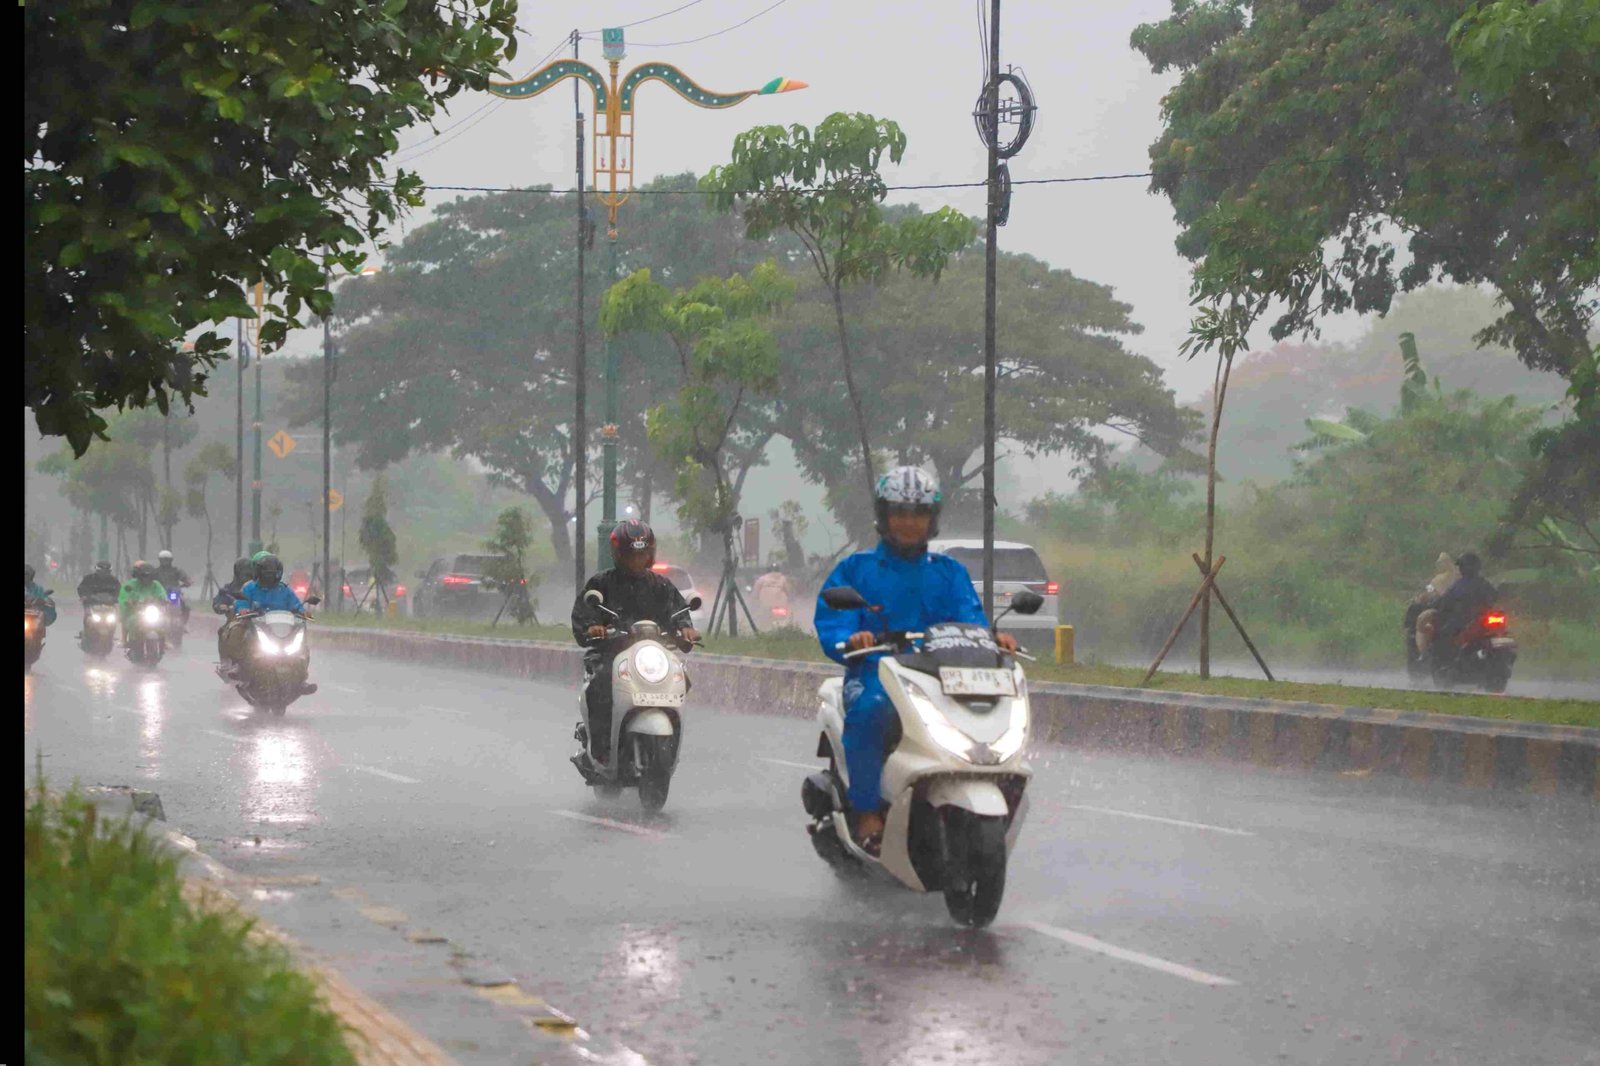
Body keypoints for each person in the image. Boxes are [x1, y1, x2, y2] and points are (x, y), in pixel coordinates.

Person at [814, 467, 1019, 856]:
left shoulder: (949, 573)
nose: (910, 522)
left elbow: (970, 621)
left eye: (919, 513)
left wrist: (994, 640)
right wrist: (851, 638)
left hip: (939, 677)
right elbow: (833, 622)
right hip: (875, 674)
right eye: (901, 513)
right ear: (884, 516)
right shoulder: (856, 570)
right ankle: (867, 811)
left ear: (933, 518)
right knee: (871, 711)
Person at [570, 520, 699, 771]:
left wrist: (685, 628)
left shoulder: (661, 586)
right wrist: (594, 628)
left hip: (653, 657)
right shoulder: (601, 584)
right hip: (611, 654)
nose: (637, 561)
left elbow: (678, 612)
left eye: (643, 554)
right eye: (632, 555)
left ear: (650, 554)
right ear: (619, 555)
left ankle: (671, 742)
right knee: (601, 685)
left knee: (683, 678)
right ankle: (600, 749)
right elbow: (585, 615)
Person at [234, 553, 317, 695]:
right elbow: (241, 602)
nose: (269, 577)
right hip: (257, 628)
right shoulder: (249, 588)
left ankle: (301, 679)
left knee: (303, 647)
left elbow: (297, 605)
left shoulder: (284, 590)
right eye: (266, 574)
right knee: (242, 635)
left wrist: (303, 612)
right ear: (258, 573)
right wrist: (243, 609)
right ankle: (243, 672)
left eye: (272, 574)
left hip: (282, 630)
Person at [1419, 551, 1498, 658]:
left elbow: (1444, 599)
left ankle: (1442, 660)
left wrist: (1433, 604)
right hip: (1480, 620)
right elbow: (1496, 596)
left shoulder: (1459, 585)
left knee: (1441, 636)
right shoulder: (1484, 583)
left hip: (1464, 620)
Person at [214, 557, 256, 674]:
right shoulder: (229, 588)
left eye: (249, 572)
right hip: (236, 620)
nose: (246, 575)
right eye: (243, 572)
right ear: (237, 573)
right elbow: (218, 601)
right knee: (223, 632)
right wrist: (220, 605)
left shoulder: (257, 587)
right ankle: (226, 661)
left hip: (258, 621)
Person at [116, 561, 168, 643]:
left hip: (152, 612)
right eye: (144, 576)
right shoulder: (130, 585)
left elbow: (162, 594)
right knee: (129, 621)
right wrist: (128, 601)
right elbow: (123, 597)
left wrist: (164, 600)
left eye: (149, 577)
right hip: (134, 612)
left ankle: (164, 642)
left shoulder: (156, 585)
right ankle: (125, 640)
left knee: (164, 621)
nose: (146, 579)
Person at [154, 550, 192, 622]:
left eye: (167, 560)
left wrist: (188, 581)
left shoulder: (176, 570)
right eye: (163, 560)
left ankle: (183, 623)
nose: (165, 562)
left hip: (173, 593)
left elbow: (185, 578)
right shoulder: (155, 571)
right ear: (159, 560)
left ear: (171, 560)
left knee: (186, 606)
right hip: (159, 594)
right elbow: (149, 580)